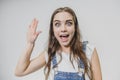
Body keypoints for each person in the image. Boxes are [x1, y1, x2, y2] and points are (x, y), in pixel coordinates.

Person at [15, 7, 102, 80]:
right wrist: (30, 44)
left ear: (75, 27)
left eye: (69, 23)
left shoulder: (89, 50)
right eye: (57, 24)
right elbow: (20, 71)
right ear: (52, 29)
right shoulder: (50, 54)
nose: (63, 29)